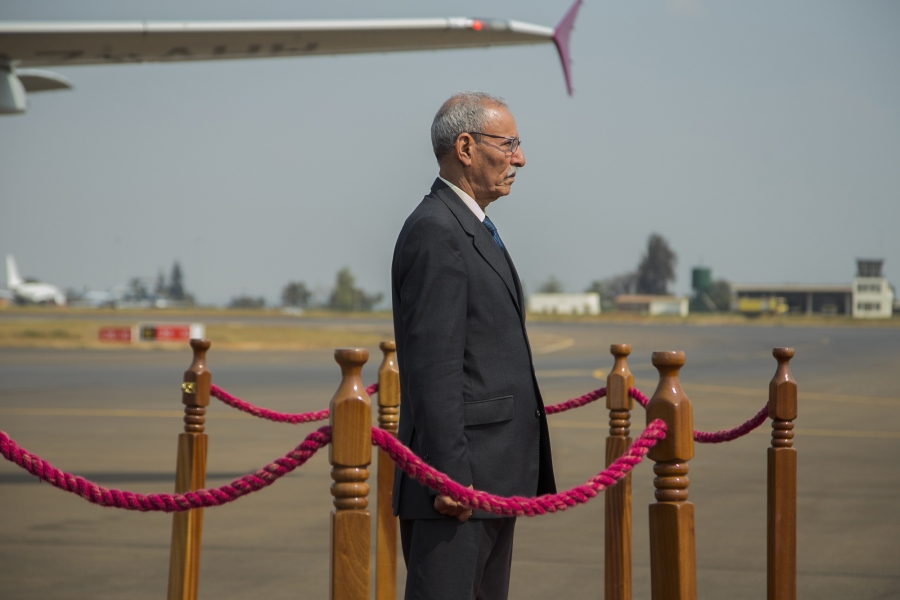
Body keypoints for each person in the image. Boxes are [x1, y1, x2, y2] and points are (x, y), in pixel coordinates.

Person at [391, 92, 556, 600]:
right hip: (458, 487)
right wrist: (449, 479)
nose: (520, 158)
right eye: (508, 143)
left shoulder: (472, 227)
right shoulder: (437, 230)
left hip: (486, 480)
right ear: (465, 147)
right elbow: (433, 370)